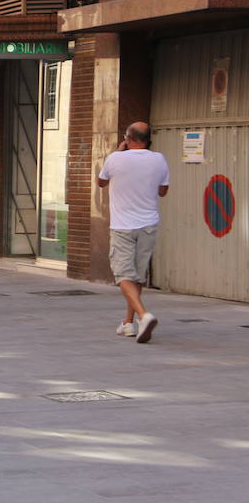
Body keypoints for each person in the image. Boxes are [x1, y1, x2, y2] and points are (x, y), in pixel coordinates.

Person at [98, 121, 169, 343]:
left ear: (127, 139)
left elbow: (101, 182)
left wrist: (119, 152)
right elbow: (163, 191)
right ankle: (128, 323)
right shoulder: (159, 159)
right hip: (148, 225)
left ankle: (143, 315)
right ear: (148, 140)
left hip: (122, 226)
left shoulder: (115, 158)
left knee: (122, 275)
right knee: (136, 275)